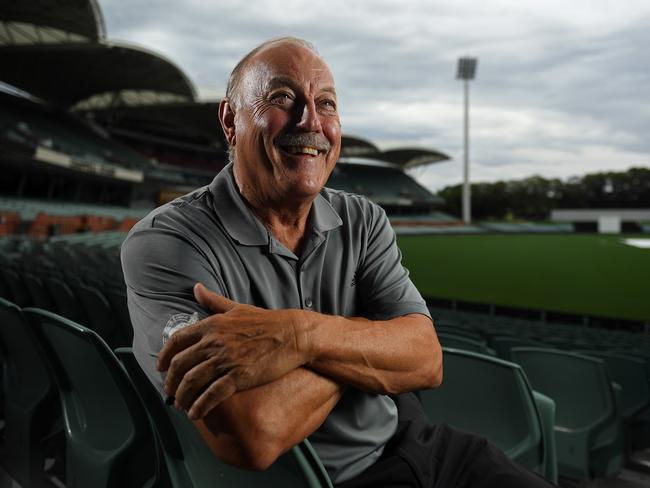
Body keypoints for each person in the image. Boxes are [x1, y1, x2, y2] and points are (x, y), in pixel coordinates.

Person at [122, 37, 555, 487]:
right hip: (324, 480)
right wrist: (368, 340)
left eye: (326, 103)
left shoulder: (364, 218)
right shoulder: (167, 242)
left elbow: (426, 359)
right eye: (283, 98)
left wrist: (295, 336)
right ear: (231, 121)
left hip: (412, 440)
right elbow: (252, 434)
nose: (310, 120)